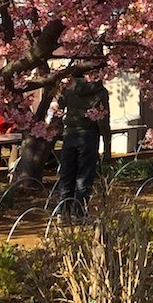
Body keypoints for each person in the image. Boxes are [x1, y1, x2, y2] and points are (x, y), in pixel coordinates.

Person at [54, 76, 109, 216]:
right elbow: (103, 120)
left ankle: (62, 212)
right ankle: (79, 213)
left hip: (70, 134)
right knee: (84, 176)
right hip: (89, 135)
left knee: (66, 175)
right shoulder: (100, 92)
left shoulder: (69, 88)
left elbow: (58, 109)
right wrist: (107, 144)